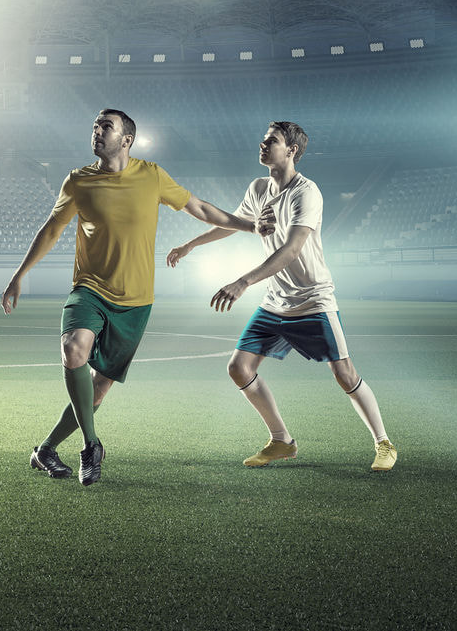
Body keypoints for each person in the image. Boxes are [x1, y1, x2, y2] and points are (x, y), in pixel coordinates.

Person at [2, 109, 256, 486]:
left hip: (135, 301)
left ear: (126, 140)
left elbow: (199, 208)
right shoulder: (78, 181)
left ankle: (46, 450)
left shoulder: (151, 176)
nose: (97, 132)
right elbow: (52, 229)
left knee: (99, 387)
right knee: (74, 349)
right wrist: (19, 276)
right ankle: (91, 446)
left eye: (106, 127)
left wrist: (249, 225)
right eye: (94, 126)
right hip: (89, 289)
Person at [166, 122, 397, 471]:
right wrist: (189, 245)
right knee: (238, 367)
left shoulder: (307, 193)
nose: (262, 143)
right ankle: (281, 442)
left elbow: (291, 250)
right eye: (263, 139)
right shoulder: (258, 187)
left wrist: (242, 282)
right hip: (276, 301)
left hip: (312, 299)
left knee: (345, 374)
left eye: (271, 140)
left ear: (291, 150)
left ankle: (384, 443)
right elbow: (232, 223)